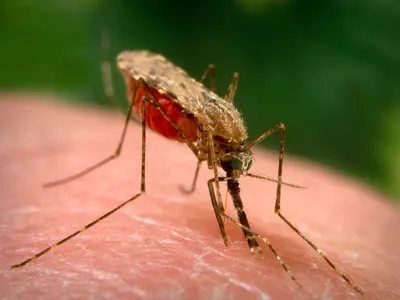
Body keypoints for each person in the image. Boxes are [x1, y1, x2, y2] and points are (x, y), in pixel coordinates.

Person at [2, 95, 400, 299]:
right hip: (195, 115)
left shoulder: (239, 145)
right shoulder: (213, 138)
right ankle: (118, 155)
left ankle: (269, 207)